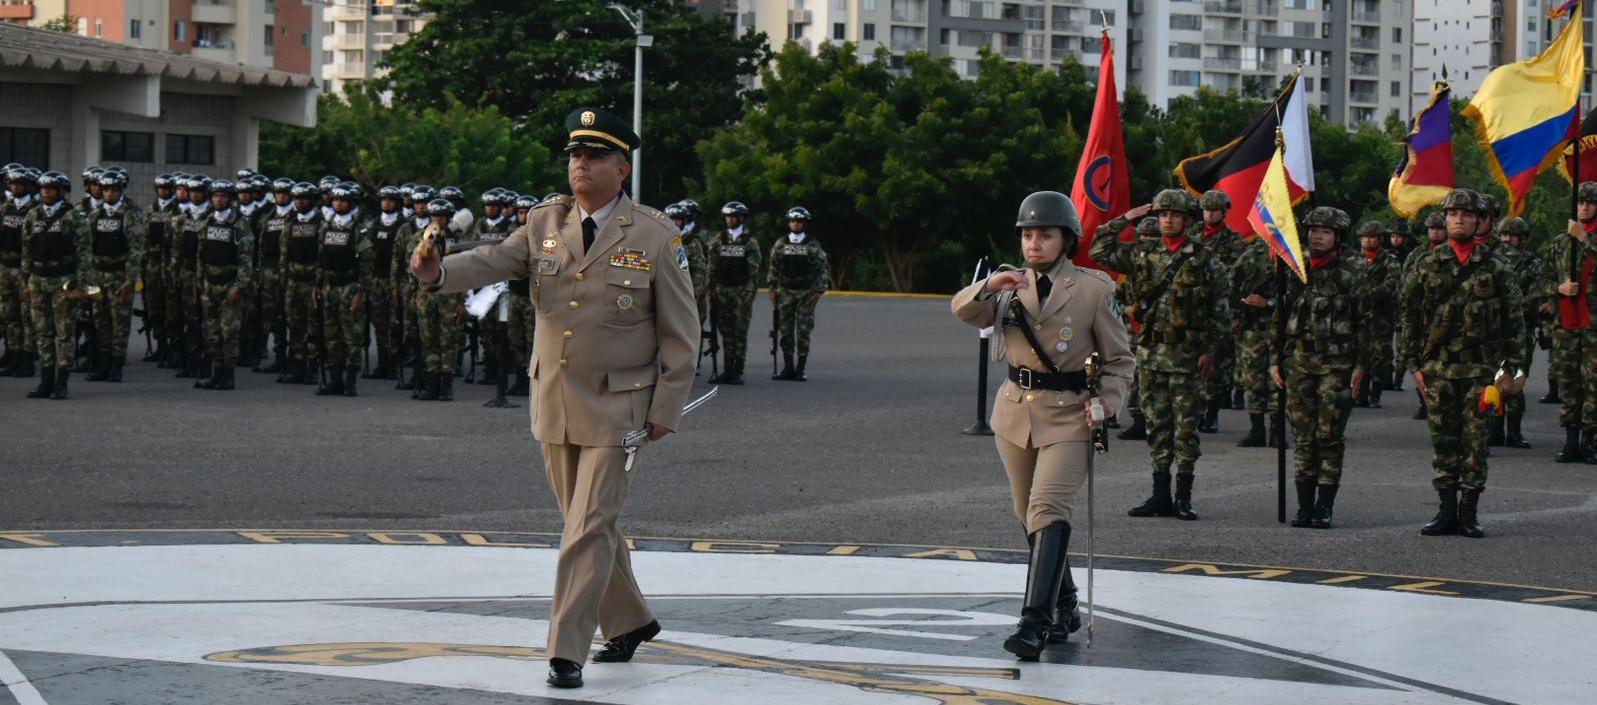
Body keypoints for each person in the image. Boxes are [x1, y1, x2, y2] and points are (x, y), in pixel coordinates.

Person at [410, 106, 697, 689]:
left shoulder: (655, 234)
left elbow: (681, 332)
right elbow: (494, 259)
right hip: (555, 399)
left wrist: (665, 408)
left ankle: (566, 650)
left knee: (587, 526)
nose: (580, 164)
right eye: (574, 154)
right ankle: (632, 620)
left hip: (620, 405)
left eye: (594, 156)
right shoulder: (545, 222)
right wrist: (438, 273)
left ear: (622, 168)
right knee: (586, 522)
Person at [952, 191, 1132, 660]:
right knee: (1027, 513)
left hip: (1070, 413)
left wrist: (1108, 403)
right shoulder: (1010, 284)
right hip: (1015, 411)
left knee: (1048, 506)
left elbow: (1120, 359)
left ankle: (1034, 624)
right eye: (1028, 235)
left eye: (1045, 235)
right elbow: (963, 311)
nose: (1034, 244)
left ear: (1066, 239)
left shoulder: (1094, 289)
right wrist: (989, 286)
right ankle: (1066, 602)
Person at [1090, 190, 1228, 521]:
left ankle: (1183, 497)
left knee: (1185, 431)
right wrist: (1127, 219)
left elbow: (1220, 312)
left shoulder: (1205, 260)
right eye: (1163, 214)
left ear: (1187, 221)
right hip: (1152, 355)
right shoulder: (1143, 253)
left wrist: (1210, 352)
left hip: (1187, 356)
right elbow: (1098, 249)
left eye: (1175, 215)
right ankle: (1159, 496)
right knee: (1157, 427)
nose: (1167, 219)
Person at [1400, 188, 1523, 538]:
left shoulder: (1497, 266)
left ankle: (1469, 512)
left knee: (1475, 443)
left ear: (1479, 222)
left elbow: (1514, 322)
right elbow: (1408, 316)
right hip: (1437, 369)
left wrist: (1509, 372)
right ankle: (1445, 511)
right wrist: (1413, 366)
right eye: (1453, 214)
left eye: (1467, 215)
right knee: (1443, 441)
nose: (1459, 219)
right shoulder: (1425, 263)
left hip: (1481, 371)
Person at [1273, 207, 1370, 529]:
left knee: (1328, 436)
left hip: (1337, 366)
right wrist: (1275, 360)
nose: (1318, 236)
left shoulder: (1353, 270)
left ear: (1338, 237)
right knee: (1303, 437)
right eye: (1314, 230)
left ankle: (1324, 506)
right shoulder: (1292, 265)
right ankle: (1303, 506)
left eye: (1326, 232)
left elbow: (1366, 322)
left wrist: (1361, 365)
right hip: (1298, 363)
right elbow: (1278, 315)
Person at [1541, 182, 1597, 463]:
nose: (1584, 207)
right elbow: (1542, 279)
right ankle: (1571, 441)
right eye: (1580, 203)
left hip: (1593, 327)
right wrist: (1558, 288)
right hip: (1566, 324)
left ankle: (1591, 441)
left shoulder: (1589, 240)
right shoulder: (1560, 243)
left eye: (1590, 202)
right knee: (1569, 383)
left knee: (1593, 383)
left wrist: (1586, 240)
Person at [20, 171, 88, 399]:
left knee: (64, 332)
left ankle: (61, 382)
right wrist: (25, 283)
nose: (46, 192)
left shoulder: (73, 217)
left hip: (63, 282)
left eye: (51, 188)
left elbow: (84, 254)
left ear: (61, 191)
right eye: (43, 188)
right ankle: (45, 382)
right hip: (38, 279)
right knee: (42, 332)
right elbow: (27, 251)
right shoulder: (32, 215)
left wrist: (80, 286)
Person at [192, 179, 255, 390]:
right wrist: (199, 281)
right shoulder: (206, 222)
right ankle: (215, 373)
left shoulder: (240, 225)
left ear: (230, 199)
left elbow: (246, 261)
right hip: (209, 285)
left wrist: (238, 287)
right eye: (215, 196)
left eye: (223, 196)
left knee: (229, 333)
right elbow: (200, 255)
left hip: (230, 286)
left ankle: (228, 376)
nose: (218, 200)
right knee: (211, 332)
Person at [314, 182, 375, 396]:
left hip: (350, 287)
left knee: (352, 336)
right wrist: (317, 286)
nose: (338, 204)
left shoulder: (359, 230)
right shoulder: (326, 226)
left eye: (343, 201)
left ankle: (350, 382)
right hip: (329, 286)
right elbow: (321, 259)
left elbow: (367, 266)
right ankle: (335, 380)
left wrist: (361, 293)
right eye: (335, 200)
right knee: (331, 335)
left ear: (351, 203)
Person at [1195, 190, 1245, 432]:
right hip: (1192, 307)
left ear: (1223, 212)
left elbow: (1236, 278)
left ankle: (1212, 412)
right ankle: (1193, 412)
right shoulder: (1191, 235)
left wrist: (1235, 313)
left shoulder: (1233, 241)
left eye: (1214, 210)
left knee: (1217, 365)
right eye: (1206, 209)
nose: (1210, 214)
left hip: (1220, 307)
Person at [1494, 217, 1541, 450]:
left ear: (1522, 238)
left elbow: (1537, 294)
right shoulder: (1490, 260)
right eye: (1503, 235)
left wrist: (1513, 307)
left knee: (1516, 379)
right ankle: (1494, 429)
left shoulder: (1532, 263)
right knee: (1493, 379)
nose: (1506, 240)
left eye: (1511, 236)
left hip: (1521, 329)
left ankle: (1514, 432)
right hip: (1493, 329)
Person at [767, 206, 828, 381]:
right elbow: (773, 267)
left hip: (806, 293)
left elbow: (821, 269)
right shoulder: (781, 243)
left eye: (799, 221)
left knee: (803, 331)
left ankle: (800, 369)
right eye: (792, 221)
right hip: (786, 292)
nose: (795, 224)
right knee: (785, 330)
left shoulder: (812, 244)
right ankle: (788, 368)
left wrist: (818, 293)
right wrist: (772, 289)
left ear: (804, 223)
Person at [708, 201, 760, 384]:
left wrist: (749, 295)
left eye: (732, 216)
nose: (729, 220)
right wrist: (711, 292)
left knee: (740, 331)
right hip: (722, 292)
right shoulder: (718, 240)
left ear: (741, 218)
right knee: (726, 331)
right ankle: (727, 369)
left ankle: (738, 370)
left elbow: (754, 272)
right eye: (727, 216)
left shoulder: (750, 242)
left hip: (741, 292)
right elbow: (712, 269)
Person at [1353, 221, 1401, 409]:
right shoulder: (1355, 260)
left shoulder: (1389, 259)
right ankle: (1361, 394)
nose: (1367, 240)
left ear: (1380, 239)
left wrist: (1369, 294)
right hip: (1359, 315)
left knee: (1380, 355)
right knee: (1360, 354)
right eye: (1364, 237)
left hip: (1382, 315)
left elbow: (1392, 283)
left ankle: (1376, 393)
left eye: (1371, 237)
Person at [0, 166, 37, 377]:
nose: (16, 187)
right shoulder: (5, 208)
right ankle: (12, 354)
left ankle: (27, 357)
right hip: (6, 267)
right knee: (9, 314)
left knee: (27, 316)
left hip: (25, 269)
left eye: (20, 184)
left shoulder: (34, 210)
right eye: (13, 184)